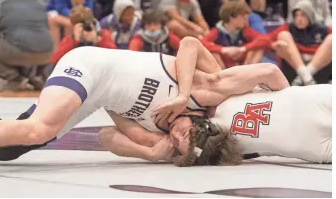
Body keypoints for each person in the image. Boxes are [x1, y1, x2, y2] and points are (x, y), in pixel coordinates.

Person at [0, 36, 289, 176]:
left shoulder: (161, 137)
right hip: (92, 66)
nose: (176, 132)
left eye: (178, 144)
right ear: (202, 123)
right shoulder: (204, 91)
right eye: (185, 131)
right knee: (42, 129)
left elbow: (108, 136)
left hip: (94, 95)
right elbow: (191, 43)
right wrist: (180, 94)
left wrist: (150, 152)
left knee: (10, 149)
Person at [99, 84, 331, 165]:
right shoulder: (179, 146)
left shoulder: (208, 100)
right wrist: (148, 152)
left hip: (316, 106)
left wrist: (106, 98)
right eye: (181, 135)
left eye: (178, 133)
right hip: (315, 134)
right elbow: (106, 135)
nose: (175, 133)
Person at [0, 0, 54, 91]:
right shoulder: (38, 3)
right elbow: (45, 29)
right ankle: (37, 76)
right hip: (48, 52)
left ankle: (17, 79)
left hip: (21, 51)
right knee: (32, 42)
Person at [267, 0, 332, 85]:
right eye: (296, 15)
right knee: (283, 35)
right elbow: (264, 39)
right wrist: (273, 45)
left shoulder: (323, 29)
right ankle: (305, 76)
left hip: (317, 73)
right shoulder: (289, 27)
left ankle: (305, 76)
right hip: (293, 71)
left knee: (332, 39)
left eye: (303, 15)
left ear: (310, 16)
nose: (299, 19)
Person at [201, 0, 271, 69]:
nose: (246, 20)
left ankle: (247, 73)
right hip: (223, 66)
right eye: (243, 16)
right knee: (212, 52)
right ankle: (221, 75)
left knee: (257, 49)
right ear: (232, 17)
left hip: (242, 65)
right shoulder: (216, 32)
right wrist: (223, 50)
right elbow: (202, 43)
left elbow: (265, 39)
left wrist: (243, 49)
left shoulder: (245, 30)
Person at [51, 6, 117, 64]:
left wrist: (98, 40)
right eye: (80, 26)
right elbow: (55, 60)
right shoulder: (70, 39)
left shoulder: (103, 34)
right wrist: (74, 41)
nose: (83, 29)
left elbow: (114, 57)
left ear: (92, 22)